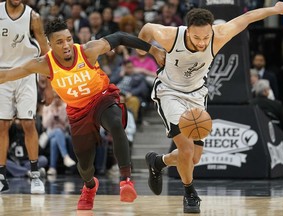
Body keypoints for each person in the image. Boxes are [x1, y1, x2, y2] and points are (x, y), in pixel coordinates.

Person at [137, 2, 283, 214]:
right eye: (197, 37)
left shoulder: (219, 34)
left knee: (194, 157)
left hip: (196, 94)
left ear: (211, 31)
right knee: (187, 150)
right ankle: (190, 193)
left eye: (206, 37)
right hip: (169, 93)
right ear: (187, 31)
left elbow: (248, 17)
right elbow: (146, 29)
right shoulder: (170, 35)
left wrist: (274, 10)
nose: (202, 42)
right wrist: (148, 50)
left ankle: (158, 162)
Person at [0, 18, 165, 210]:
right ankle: (89, 186)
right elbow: (6, 75)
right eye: (59, 42)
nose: (66, 45)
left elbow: (119, 37)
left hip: (101, 98)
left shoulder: (88, 50)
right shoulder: (44, 64)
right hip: (78, 110)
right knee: (85, 166)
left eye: (68, 39)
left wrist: (153, 50)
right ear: (50, 44)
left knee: (115, 123)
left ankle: (126, 181)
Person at [0, 0, 53, 194]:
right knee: (2, 125)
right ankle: (1, 177)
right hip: (2, 74)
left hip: (26, 73)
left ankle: (35, 175)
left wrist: (48, 85)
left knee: (28, 123)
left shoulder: (34, 17)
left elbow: (46, 51)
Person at [42, 92, 76, 176]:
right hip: (49, 134)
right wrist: (52, 113)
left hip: (63, 133)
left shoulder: (65, 107)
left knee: (55, 140)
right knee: (57, 132)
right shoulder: (47, 107)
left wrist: (60, 112)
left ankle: (52, 168)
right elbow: (45, 125)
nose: (57, 99)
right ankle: (66, 157)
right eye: (55, 97)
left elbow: (68, 125)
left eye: (58, 97)